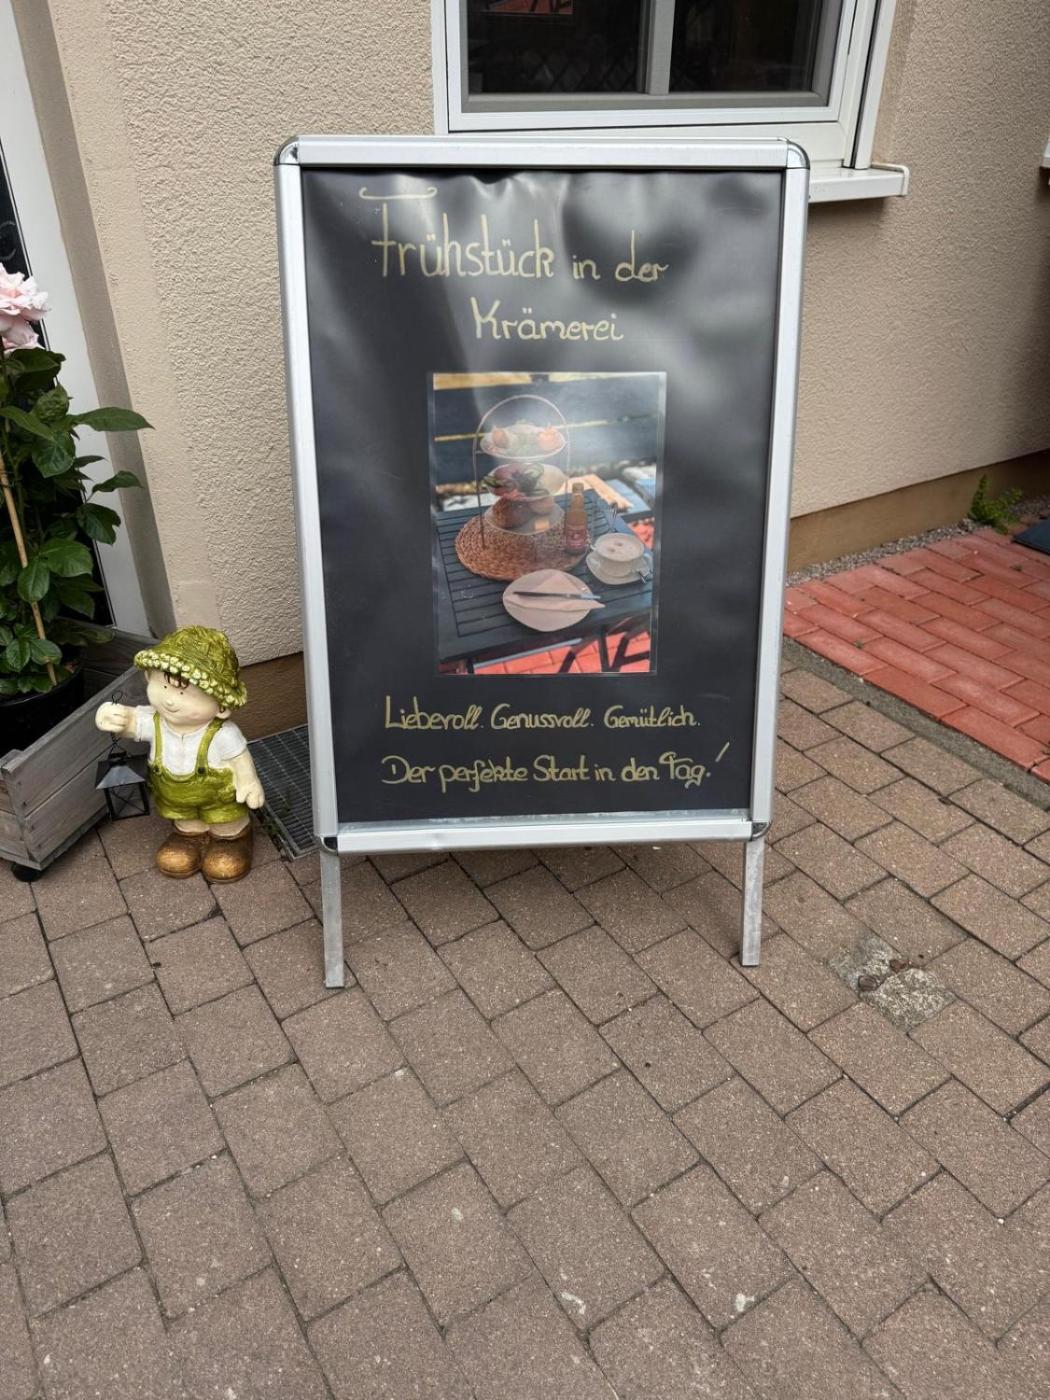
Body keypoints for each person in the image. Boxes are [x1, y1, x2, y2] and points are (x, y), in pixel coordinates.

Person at [95, 625, 264, 881]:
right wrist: (112, 716)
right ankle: (189, 836)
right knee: (185, 823)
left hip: (220, 801)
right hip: (176, 799)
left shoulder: (223, 734)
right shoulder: (155, 721)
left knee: (225, 826)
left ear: (221, 707)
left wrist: (249, 781)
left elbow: (239, 758)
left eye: (184, 693)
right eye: (163, 687)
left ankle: (231, 838)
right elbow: (130, 721)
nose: (170, 700)